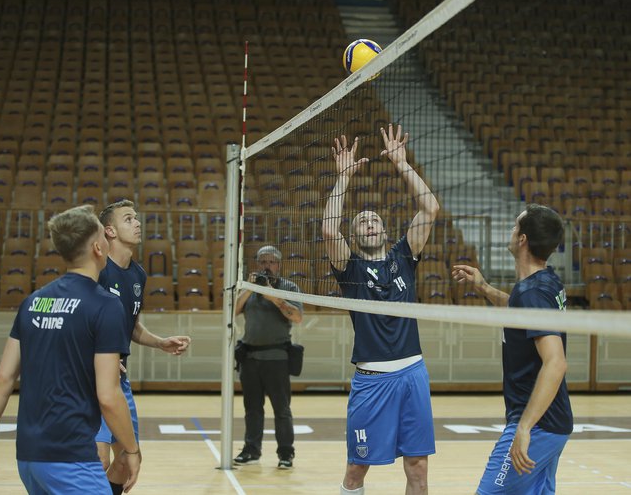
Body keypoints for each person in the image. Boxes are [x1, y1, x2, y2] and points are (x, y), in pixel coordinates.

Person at [0, 205, 141, 494]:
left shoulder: (33, 302)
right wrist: (132, 449)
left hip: (28, 457)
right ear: (99, 248)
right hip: (71, 458)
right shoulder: (105, 305)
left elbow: (2, 381)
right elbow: (109, 396)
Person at [322, 124, 440, 495]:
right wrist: (343, 178)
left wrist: (402, 164)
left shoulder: (404, 257)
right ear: (355, 237)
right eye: (362, 222)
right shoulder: (350, 270)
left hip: (412, 374)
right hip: (372, 382)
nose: (369, 222)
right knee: (357, 468)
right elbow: (328, 230)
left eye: (375, 219)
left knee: (418, 468)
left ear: (386, 232)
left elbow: (431, 207)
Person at [452, 203, 572, 495]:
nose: (511, 230)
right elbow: (523, 314)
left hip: (538, 424)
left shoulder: (533, 292)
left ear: (522, 240)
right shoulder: (542, 282)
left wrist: (524, 428)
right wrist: (484, 288)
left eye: (515, 226)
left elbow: (555, 363)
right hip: (553, 423)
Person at [95, 200, 191, 495]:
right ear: (109, 231)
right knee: (97, 460)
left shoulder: (137, 275)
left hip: (119, 379)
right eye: (128, 219)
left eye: (136, 218)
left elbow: (132, 326)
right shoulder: (95, 270)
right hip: (92, 378)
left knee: (127, 459)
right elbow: (77, 322)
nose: (137, 223)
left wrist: (160, 342)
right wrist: (95, 357)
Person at [232, 245, 304, 469]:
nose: (267, 265)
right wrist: (250, 288)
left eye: (271, 261)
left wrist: (272, 296)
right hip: (250, 358)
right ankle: (251, 450)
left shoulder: (289, 287)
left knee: (281, 410)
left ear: (279, 265)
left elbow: (297, 316)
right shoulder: (249, 288)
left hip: (277, 358)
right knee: (252, 409)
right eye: (263, 261)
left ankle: (286, 453)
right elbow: (233, 311)